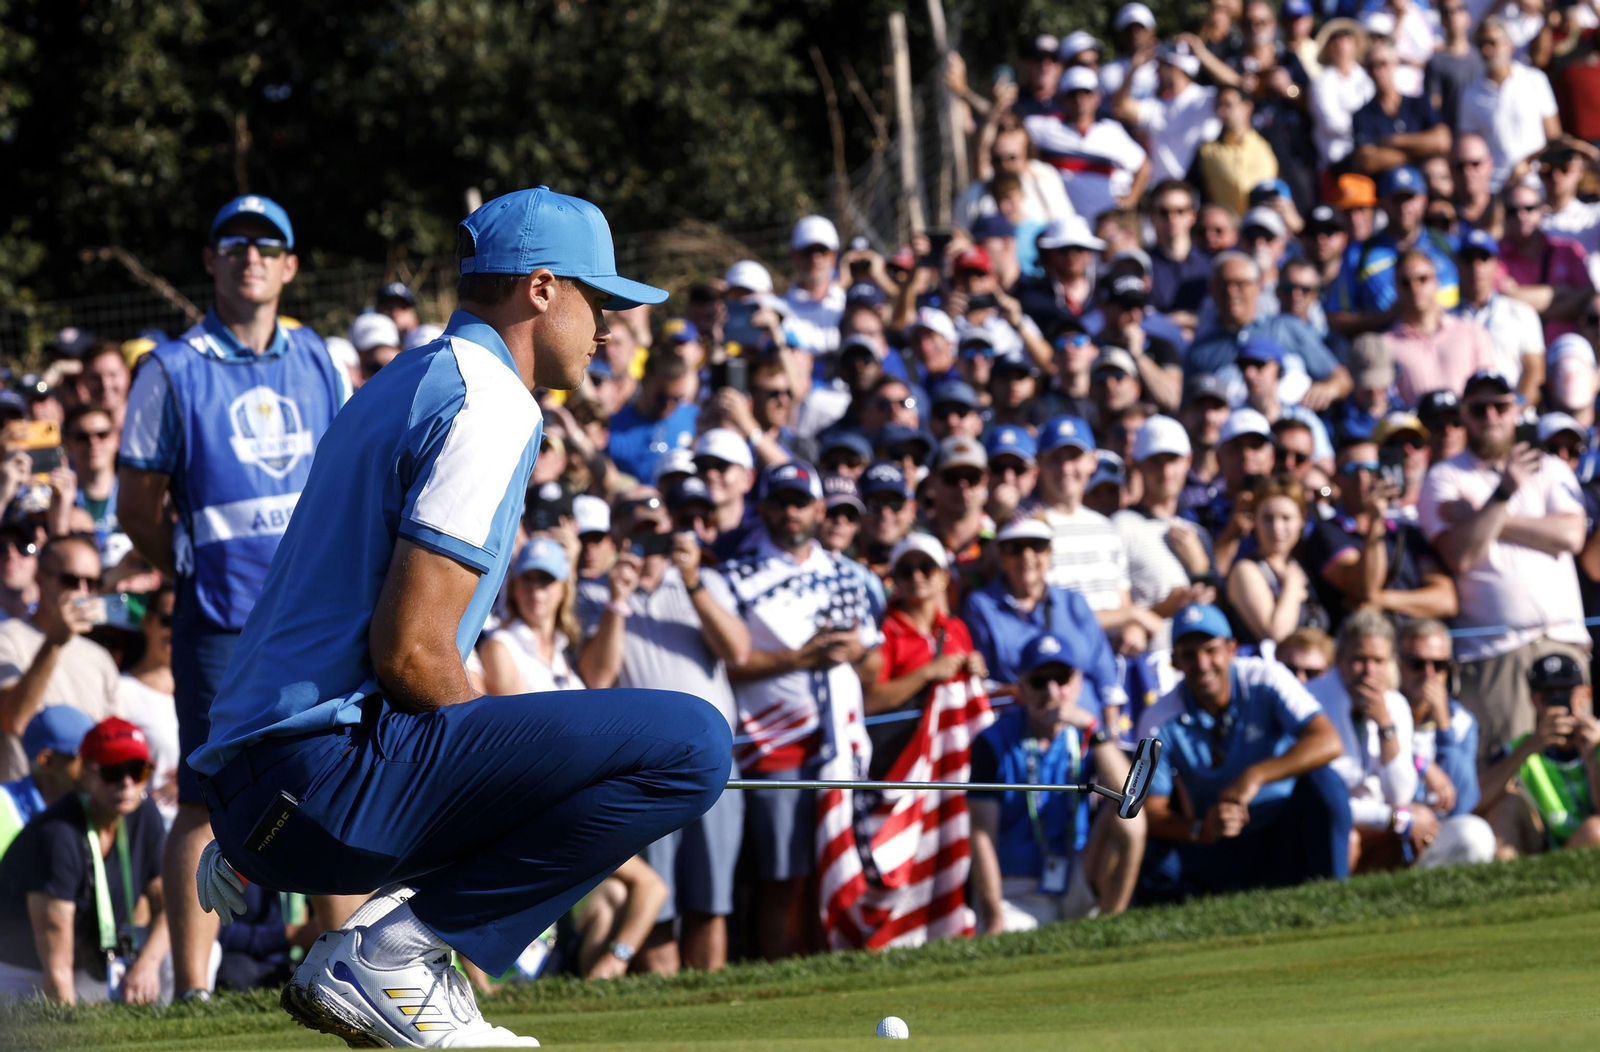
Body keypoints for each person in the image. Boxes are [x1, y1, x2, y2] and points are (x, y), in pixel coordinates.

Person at [188, 187, 728, 1048]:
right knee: (693, 745)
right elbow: (409, 652)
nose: (611, 330)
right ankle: (397, 955)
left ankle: (408, 955)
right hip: (312, 780)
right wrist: (519, 812)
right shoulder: (491, 398)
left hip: (260, 792)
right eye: (602, 301)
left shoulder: (409, 373)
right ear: (542, 289)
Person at [116, 195, 349, 1001]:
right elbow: (135, 508)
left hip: (311, 619)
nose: (250, 255)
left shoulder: (320, 358)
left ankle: (347, 973)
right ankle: (194, 992)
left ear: (289, 266)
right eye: (233, 243)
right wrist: (186, 563)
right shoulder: (169, 369)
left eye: (268, 245)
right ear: (210, 262)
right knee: (208, 803)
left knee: (325, 789)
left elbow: (344, 482)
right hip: (218, 622)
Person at [574, 505, 750, 974]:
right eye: (638, 533)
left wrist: (692, 580)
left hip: (717, 760)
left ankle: (706, 996)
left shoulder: (701, 582)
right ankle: (665, 997)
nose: (649, 544)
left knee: (712, 896)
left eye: (658, 533)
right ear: (621, 538)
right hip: (646, 767)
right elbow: (597, 675)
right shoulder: (594, 592)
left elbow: (738, 649)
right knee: (660, 896)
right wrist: (618, 600)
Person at [720, 461, 880, 961]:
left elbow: (873, 666)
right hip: (772, 745)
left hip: (842, 743)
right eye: (782, 501)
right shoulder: (735, 577)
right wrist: (802, 657)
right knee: (781, 877)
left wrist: (855, 651)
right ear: (764, 507)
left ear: (818, 508)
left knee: (838, 862)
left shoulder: (847, 575)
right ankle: (779, 972)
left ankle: (833, 962)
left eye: (800, 502)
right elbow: (731, 663)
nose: (791, 513)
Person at [1419, 369, 1590, 762]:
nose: (1491, 416)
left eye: (1500, 406)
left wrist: (1486, 517)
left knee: (1581, 766)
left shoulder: (1551, 468)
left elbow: (1570, 536)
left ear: (1516, 410)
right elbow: (1461, 554)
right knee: (1509, 776)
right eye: (1480, 408)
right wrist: (1504, 493)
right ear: (1465, 415)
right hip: (1494, 656)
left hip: (1564, 642)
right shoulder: (1443, 477)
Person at [1137, 604, 1349, 900]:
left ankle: (1334, 897)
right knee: (1152, 858)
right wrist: (1200, 829)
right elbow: (1148, 810)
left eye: (1211, 650)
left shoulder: (1267, 678)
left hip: (1284, 823)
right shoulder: (1156, 719)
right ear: (1174, 661)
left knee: (1326, 783)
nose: (1202, 664)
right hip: (1221, 838)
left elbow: (1328, 741)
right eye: (1189, 655)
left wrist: (1254, 776)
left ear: (1231, 649)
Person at [969, 634, 1144, 932]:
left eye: (1061, 679)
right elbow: (981, 835)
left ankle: (1111, 927)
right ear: (1021, 688)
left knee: (1129, 821)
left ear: (1076, 683)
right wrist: (992, 913)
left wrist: (1094, 730)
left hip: (1076, 872)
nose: (1052, 692)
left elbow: (1132, 798)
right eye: (1039, 681)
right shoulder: (992, 741)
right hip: (1017, 888)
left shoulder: (1086, 733)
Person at [1309, 612, 1496, 873]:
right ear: (1339, 659)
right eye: (1359, 660)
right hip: (1338, 824)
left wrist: (1386, 726)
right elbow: (1332, 797)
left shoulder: (1398, 706)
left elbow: (1449, 800)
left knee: (1473, 834)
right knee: (1349, 837)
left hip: (1394, 824)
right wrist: (1399, 814)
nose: (1369, 671)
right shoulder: (1313, 701)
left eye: (1378, 661)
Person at [0, 718, 167, 1004]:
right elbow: (56, 966)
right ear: (87, 772)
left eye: (137, 771)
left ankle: (184, 1017)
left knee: (200, 949)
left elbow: (169, 905)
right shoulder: (55, 835)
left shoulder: (144, 813)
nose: (126, 783)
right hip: (22, 972)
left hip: (91, 965)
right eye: (113, 771)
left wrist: (147, 965)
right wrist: (71, 1031)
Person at [961, 516, 1124, 718]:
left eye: (1037, 546)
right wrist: (1031, 692)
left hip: (1086, 725)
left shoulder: (1074, 602)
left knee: (1148, 748)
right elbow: (983, 684)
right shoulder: (981, 606)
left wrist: (1110, 729)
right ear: (1001, 556)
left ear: (1050, 553)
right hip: (1021, 731)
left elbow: (1105, 673)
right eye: (1015, 548)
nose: (1027, 555)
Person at [1020, 416, 1154, 650]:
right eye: (1055, 459)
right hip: (1061, 656)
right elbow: (1051, 615)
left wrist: (1133, 628)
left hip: (1113, 655)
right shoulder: (1030, 528)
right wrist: (1133, 616)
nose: (1065, 468)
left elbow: (1121, 597)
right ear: (1040, 463)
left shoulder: (1106, 528)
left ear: (1093, 461)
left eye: (1074, 457)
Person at [0, 535, 121, 782]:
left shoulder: (100, 658)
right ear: (40, 578)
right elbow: (14, 721)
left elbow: (113, 742)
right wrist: (53, 643)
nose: (83, 591)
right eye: (71, 580)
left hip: (84, 806)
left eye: (93, 583)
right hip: (24, 806)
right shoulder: (7, 638)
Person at [867, 535, 987, 779]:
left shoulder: (956, 628)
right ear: (895, 579)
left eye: (926, 568)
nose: (916, 577)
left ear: (943, 577)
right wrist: (927, 673)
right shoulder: (882, 633)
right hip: (901, 762)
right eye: (906, 570)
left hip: (951, 759)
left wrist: (977, 670)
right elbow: (869, 702)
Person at [1305, 438, 1458, 627]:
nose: (1362, 478)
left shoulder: (1406, 532)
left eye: (1371, 468)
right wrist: (1376, 519)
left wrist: (1381, 599)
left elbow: (1446, 600)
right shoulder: (1325, 532)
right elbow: (1366, 587)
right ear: (1337, 478)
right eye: (1351, 470)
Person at [1187, 253, 1350, 412]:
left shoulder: (1286, 327)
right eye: (1223, 284)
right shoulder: (1201, 349)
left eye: (1241, 284)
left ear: (1259, 286)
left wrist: (1327, 389)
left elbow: (1341, 379)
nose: (1231, 291)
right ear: (1212, 290)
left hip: (1292, 425)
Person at [1476, 652, 1600, 855]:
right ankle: (1510, 881)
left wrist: (1594, 759)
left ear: (1586, 694)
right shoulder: (1521, 747)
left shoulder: (1598, 739)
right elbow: (1476, 802)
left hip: (1590, 838)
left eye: (1565, 692)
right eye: (1546, 696)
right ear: (1533, 700)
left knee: (1596, 829)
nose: (1558, 703)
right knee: (1504, 806)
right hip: (1540, 845)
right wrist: (1528, 748)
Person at [1113, 416, 1216, 661]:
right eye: (1155, 462)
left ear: (1188, 461)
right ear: (1137, 464)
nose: (1165, 472)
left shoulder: (1197, 532)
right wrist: (1166, 607)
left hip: (1195, 666)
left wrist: (1201, 570)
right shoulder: (1121, 526)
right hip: (1147, 663)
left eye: (1173, 460)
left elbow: (1216, 609)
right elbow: (1117, 615)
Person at [1024, 66, 1152, 221]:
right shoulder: (1044, 127)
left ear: (1097, 97)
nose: (1080, 100)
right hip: (1061, 223)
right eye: (1073, 94)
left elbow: (1143, 166)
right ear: (1063, 98)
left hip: (1103, 224)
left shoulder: (1111, 132)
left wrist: (1130, 201)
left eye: (1086, 93)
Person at [1458, 17, 1561, 193]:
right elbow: (1469, 148)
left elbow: (1554, 137)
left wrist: (1528, 163)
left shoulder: (1535, 80)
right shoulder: (1471, 94)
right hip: (1494, 188)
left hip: (1536, 185)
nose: (1487, 50)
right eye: (1481, 44)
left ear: (1509, 45)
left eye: (1492, 43)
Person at [1382, 250, 1497, 405]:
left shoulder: (1472, 332)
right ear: (1396, 288)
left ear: (1437, 281)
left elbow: (1488, 390)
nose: (1415, 287)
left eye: (1422, 279)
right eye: (1405, 282)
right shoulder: (1386, 345)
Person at [1224, 476, 1322, 648]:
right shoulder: (1245, 570)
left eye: (1286, 518)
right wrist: (1291, 584)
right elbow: (1275, 634)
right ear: (1255, 521)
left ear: (1302, 520)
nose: (1277, 528)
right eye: (1268, 518)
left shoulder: (1300, 566)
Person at [1397, 619, 1481, 819]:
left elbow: (1464, 802)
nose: (1429, 673)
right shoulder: (1383, 706)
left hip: (1436, 826)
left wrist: (1444, 727)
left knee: (1475, 834)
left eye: (1439, 664)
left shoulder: (1461, 721)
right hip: (1389, 820)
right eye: (1417, 664)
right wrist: (1421, 763)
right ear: (1397, 664)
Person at [479, 537, 584, 694]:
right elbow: (515, 717)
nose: (535, 589)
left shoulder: (562, 648)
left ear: (564, 590)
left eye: (546, 579)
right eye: (527, 578)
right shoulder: (499, 647)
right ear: (513, 587)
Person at [1499, 178, 1595, 345]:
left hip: (1567, 345)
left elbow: (1587, 298)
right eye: (1512, 211)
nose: (1521, 216)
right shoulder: (1494, 256)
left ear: (1542, 210)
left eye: (1529, 208)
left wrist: (1519, 296)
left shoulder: (1568, 250)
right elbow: (1502, 299)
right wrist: (1559, 292)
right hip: (1517, 348)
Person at [1454, 228, 1544, 404]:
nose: (1476, 266)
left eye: (1484, 258)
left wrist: (1515, 410)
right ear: (1458, 264)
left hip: (1514, 414)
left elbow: (1535, 371)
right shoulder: (1446, 319)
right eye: (1468, 258)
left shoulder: (1522, 313)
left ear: (1496, 264)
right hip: (1463, 418)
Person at [118, 586, 180, 823]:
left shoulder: (206, 694)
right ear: (147, 622)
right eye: (167, 621)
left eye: (182, 621)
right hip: (146, 832)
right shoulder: (120, 690)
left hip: (205, 835)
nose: (175, 630)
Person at [1349, 35, 1451, 177]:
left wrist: (1393, 141)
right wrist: (1420, 151)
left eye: (1383, 63)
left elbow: (1441, 141)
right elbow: (1367, 161)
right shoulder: (1363, 115)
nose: (1378, 71)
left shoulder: (1418, 104)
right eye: (1371, 66)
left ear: (1394, 63)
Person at [0, 706, 95, 857]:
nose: (94, 766)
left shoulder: (96, 809)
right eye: (83, 757)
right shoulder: (3, 806)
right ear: (46, 761)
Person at [607, 350, 699, 484]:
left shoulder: (696, 419)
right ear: (644, 382)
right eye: (662, 398)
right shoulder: (614, 426)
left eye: (677, 398)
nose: (669, 405)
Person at [1190, 87, 1277, 221]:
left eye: (1228, 105)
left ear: (1247, 107)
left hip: (1267, 228)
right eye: (1218, 106)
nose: (1221, 112)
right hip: (1227, 234)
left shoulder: (1269, 144)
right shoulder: (1206, 151)